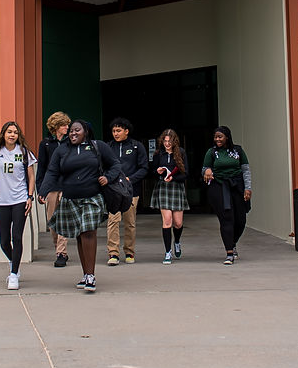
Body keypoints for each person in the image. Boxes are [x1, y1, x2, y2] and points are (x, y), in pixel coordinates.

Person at [39, 119, 121, 293]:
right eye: (71, 131)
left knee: (88, 232)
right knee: (79, 235)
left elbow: (115, 165)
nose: (73, 133)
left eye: (77, 130)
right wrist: (43, 190)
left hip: (92, 197)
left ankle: (91, 276)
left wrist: (108, 177)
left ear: (86, 132)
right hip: (70, 199)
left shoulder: (97, 147)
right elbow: (52, 171)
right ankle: (85, 274)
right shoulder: (62, 150)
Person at [0, 121, 37, 290]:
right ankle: (14, 262)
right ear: (3, 134)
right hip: (3, 201)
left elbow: (31, 176)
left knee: (17, 237)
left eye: (15, 132)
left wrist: (29, 197)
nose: (12, 135)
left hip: (20, 200)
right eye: (9, 132)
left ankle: (14, 274)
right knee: (4, 241)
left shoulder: (24, 152)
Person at [201, 125, 251, 265]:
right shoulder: (211, 153)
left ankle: (232, 242)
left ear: (227, 137)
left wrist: (248, 188)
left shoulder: (238, 151)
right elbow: (204, 169)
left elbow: (246, 170)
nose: (217, 139)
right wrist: (207, 171)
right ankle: (229, 252)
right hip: (219, 187)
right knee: (226, 219)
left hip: (237, 186)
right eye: (215, 137)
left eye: (220, 137)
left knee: (241, 220)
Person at [105, 117, 149, 266]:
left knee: (130, 222)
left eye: (118, 130)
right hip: (113, 191)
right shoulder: (108, 147)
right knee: (113, 221)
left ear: (126, 131)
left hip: (131, 191)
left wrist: (130, 179)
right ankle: (113, 253)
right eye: (113, 131)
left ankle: (129, 252)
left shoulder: (137, 146)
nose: (115, 133)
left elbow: (144, 168)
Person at [36, 111, 71, 268]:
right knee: (52, 221)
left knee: (63, 218)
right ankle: (58, 247)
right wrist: (40, 189)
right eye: (64, 125)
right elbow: (41, 168)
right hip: (51, 187)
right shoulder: (45, 144)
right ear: (56, 127)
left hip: (66, 186)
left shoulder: (70, 143)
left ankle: (61, 253)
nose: (67, 127)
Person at [149, 128, 189, 265]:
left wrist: (173, 178)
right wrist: (159, 171)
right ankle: (167, 252)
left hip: (176, 187)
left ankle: (176, 242)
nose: (167, 144)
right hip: (163, 187)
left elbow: (186, 174)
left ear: (174, 141)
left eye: (169, 141)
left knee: (178, 223)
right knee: (167, 221)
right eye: (165, 141)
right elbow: (152, 172)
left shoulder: (181, 153)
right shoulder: (158, 154)